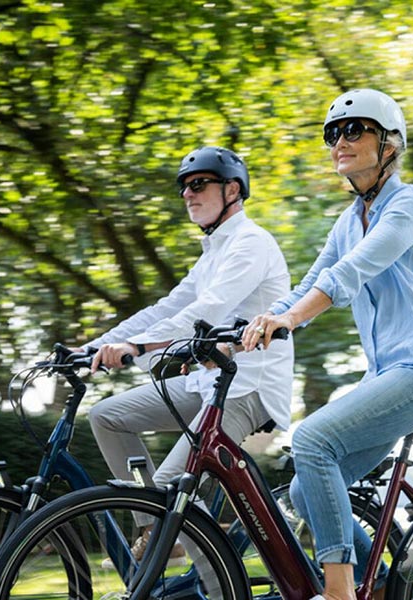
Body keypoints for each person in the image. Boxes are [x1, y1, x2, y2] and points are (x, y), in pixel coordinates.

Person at [242, 89, 413, 600]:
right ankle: (389, 588)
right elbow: (311, 282)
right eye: (332, 134)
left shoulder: (408, 204)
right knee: (306, 488)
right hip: (390, 374)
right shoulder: (349, 221)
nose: (339, 142)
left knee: (312, 441)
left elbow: (353, 271)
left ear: (389, 143)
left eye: (354, 130)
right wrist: (259, 324)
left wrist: (292, 318)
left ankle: (341, 591)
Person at [81, 145, 294, 564]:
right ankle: (161, 533)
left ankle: (218, 587)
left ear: (232, 190)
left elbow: (207, 309)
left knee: (172, 489)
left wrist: (139, 347)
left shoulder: (251, 243)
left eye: (198, 185)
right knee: (106, 416)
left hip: (247, 390)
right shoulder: (212, 253)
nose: (187, 195)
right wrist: (90, 348)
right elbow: (165, 309)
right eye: (183, 188)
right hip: (207, 383)